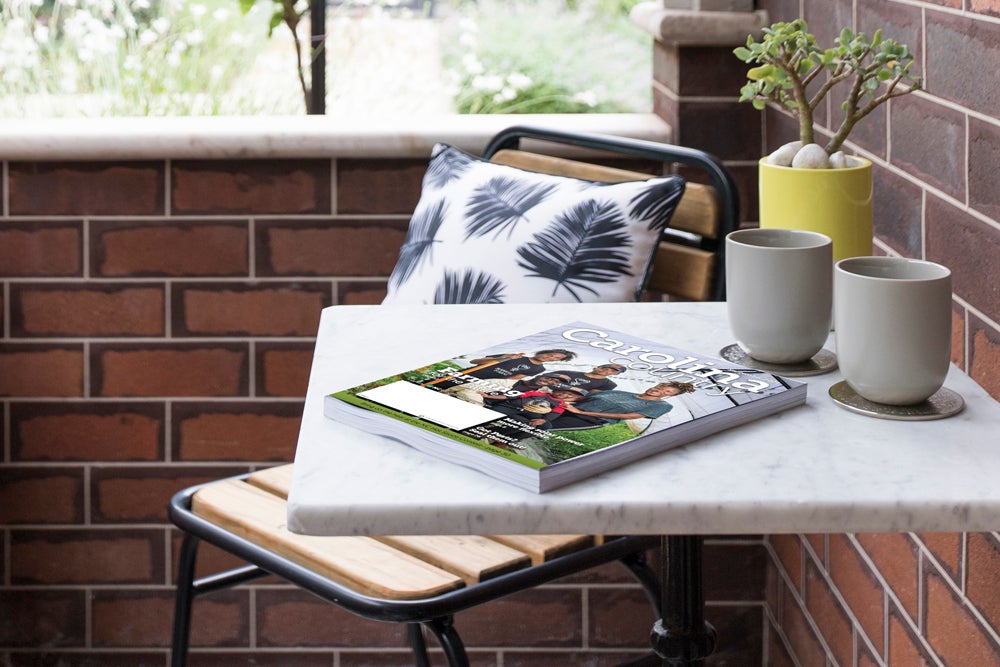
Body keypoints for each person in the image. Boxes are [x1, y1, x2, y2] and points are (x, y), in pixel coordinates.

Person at [550, 381, 696, 429]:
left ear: (670, 395)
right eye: (660, 386)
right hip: (569, 408)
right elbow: (585, 398)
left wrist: (581, 413)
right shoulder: (623, 392)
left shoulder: (663, 405)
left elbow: (625, 416)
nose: (659, 390)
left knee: (546, 426)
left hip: (589, 419)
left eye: (666, 391)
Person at [462, 349, 577, 381]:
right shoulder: (514, 355)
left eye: (555, 358)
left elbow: (511, 379)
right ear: (544, 352)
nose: (549, 357)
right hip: (466, 374)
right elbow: (475, 362)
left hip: (481, 383)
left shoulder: (539, 369)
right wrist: (504, 358)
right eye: (550, 354)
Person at [560, 363, 625, 393]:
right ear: (596, 368)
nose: (607, 371)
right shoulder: (566, 372)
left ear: (616, 374)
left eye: (612, 371)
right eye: (605, 368)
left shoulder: (609, 384)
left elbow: (589, 396)